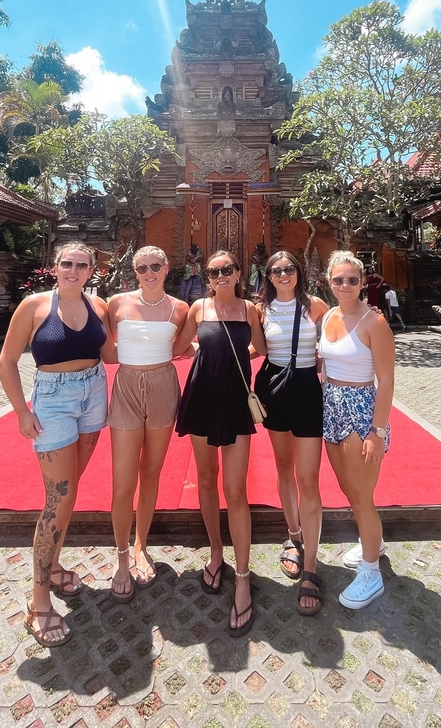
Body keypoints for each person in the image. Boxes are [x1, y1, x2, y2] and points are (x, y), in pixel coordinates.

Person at [0, 242, 114, 647]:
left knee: (70, 492)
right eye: (67, 263)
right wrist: (21, 411)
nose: (73, 270)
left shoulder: (99, 306)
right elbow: (7, 361)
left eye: (82, 265)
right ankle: (39, 600)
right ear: (55, 266)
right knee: (58, 497)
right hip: (52, 399)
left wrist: (171, 341)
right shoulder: (33, 306)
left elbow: (112, 353)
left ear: (91, 271)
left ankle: (54, 566)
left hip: (94, 394)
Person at [174, 250, 267, 636]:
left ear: (239, 273)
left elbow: (261, 348)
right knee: (206, 479)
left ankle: (243, 577)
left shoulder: (249, 310)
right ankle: (216, 552)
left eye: (227, 269)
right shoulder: (198, 308)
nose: (220, 275)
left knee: (236, 489)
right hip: (202, 394)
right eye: (214, 271)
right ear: (207, 277)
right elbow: (179, 346)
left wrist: (234, 356)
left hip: (234, 397)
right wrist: (204, 351)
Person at [106, 247, 189, 603]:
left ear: (167, 268)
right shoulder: (116, 304)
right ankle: (121, 556)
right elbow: (106, 349)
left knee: (151, 473)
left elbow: (182, 348)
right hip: (126, 386)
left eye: (156, 266)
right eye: (142, 268)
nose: (149, 272)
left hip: (163, 386)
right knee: (123, 481)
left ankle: (141, 544)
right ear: (135, 271)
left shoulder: (180, 308)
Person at [318, 250, 395, 610]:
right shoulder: (328, 316)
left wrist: (377, 432)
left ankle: (371, 572)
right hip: (331, 406)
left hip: (361, 411)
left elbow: (387, 381)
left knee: (361, 495)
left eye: (352, 279)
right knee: (349, 488)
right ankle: (373, 542)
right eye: (338, 279)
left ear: (363, 282)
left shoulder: (374, 322)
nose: (345, 285)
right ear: (329, 282)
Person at [254, 251, 329, 615]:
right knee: (284, 467)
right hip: (275, 388)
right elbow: (254, 346)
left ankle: (311, 565)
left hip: (307, 389)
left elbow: (338, 334)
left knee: (308, 478)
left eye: (288, 269)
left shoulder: (315, 306)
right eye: (276, 271)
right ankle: (293, 536)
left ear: (299, 272)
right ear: (268, 276)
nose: (283, 275)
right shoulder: (261, 310)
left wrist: (370, 315)